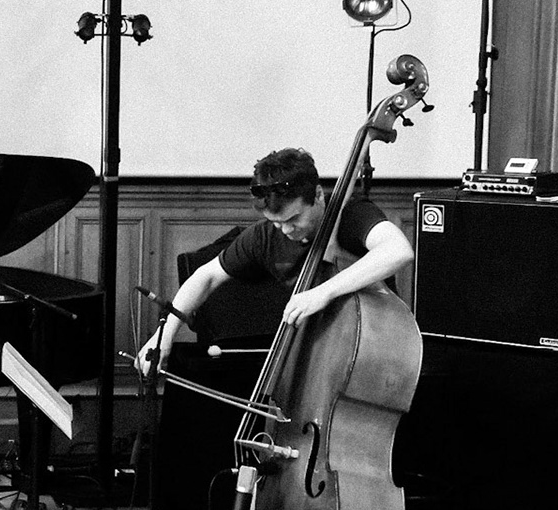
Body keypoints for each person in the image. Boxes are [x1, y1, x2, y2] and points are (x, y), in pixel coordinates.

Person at [138, 147, 415, 374]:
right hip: (318, 366)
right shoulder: (266, 236)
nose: (286, 230)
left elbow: (398, 250)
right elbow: (205, 276)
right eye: (276, 222)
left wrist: (323, 292)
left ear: (318, 195)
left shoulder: (351, 215)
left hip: (376, 360)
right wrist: (163, 335)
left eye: (294, 219)